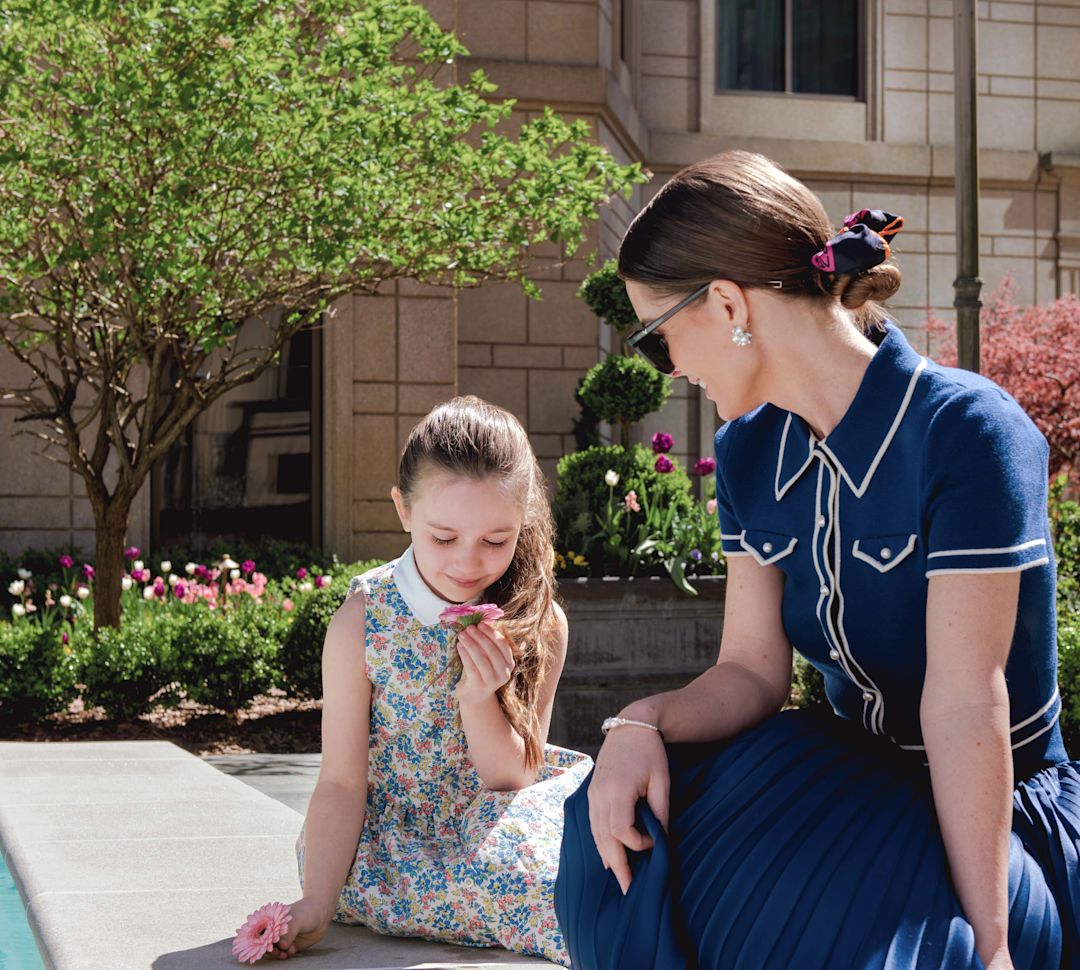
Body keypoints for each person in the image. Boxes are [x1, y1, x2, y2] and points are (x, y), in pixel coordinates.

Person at [554, 151, 1080, 970]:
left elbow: (963, 706)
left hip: (993, 813)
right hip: (849, 777)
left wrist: (993, 946)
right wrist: (638, 723)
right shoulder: (748, 451)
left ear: (727, 302)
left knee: (830, 940)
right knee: (618, 829)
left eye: (659, 338)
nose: (669, 371)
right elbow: (751, 673)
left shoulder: (967, 430)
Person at [268, 396, 591, 964]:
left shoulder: (539, 620)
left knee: (599, 873)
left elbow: (512, 778)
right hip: (391, 844)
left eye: (496, 540)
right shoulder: (363, 622)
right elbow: (342, 783)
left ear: (524, 523)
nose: (469, 564)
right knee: (549, 897)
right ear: (403, 510)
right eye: (444, 538)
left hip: (501, 820)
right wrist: (317, 901)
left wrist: (478, 698)